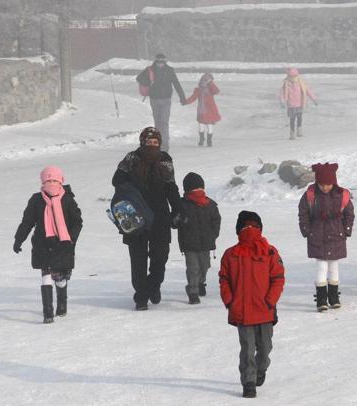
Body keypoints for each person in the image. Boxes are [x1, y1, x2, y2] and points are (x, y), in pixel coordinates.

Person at [112, 127, 184, 310]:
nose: (152, 145)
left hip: (160, 216)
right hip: (136, 216)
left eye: (155, 142)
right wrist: (131, 189)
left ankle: (153, 285)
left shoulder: (165, 160)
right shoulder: (131, 158)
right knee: (138, 260)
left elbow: (171, 187)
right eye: (148, 142)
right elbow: (117, 180)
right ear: (142, 142)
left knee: (160, 257)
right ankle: (141, 297)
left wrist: (178, 209)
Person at [219, 211, 285, 399]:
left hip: (264, 310)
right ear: (239, 230)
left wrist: (270, 301)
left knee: (265, 348)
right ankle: (249, 382)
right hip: (243, 311)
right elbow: (224, 279)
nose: (250, 230)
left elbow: (278, 278)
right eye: (246, 226)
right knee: (247, 348)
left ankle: (260, 369)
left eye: (253, 226)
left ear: (260, 229)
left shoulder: (269, 251)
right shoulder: (231, 254)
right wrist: (230, 300)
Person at [13, 166, 83, 323]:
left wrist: (71, 238)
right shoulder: (36, 199)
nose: (51, 183)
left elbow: (77, 221)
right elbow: (27, 222)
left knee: (59, 278)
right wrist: (19, 239)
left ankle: (62, 301)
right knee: (46, 276)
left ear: (60, 181)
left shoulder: (67, 199)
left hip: (63, 244)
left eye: (54, 180)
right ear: (42, 182)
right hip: (42, 244)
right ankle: (48, 313)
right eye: (47, 180)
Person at [298, 163, 354, 312]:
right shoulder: (310, 195)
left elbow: (349, 213)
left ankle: (334, 297)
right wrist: (307, 230)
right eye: (322, 184)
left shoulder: (341, 195)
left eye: (328, 184)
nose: (325, 188)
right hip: (317, 236)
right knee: (322, 266)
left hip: (336, 235)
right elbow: (303, 213)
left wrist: (346, 229)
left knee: (334, 266)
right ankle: (321, 299)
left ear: (333, 182)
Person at [177, 172, 221, 304]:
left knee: (204, 266)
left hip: (206, 242)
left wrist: (213, 234)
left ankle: (201, 283)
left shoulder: (210, 204)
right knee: (193, 268)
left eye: (200, 189)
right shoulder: (182, 204)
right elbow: (173, 222)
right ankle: (193, 292)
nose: (198, 191)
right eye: (194, 189)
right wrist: (178, 220)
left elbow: (216, 220)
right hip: (189, 243)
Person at [136, 53, 186, 151]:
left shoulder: (170, 70)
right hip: (154, 99)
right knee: (158, 122)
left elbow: (176, 84)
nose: (160, 64)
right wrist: (148, 82)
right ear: (156, 61)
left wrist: (182, 97)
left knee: (164, 122)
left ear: (165, 61)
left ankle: (164, 145)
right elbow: (139, 78)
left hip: (166, 100)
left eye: (162, 61)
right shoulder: (150, 69)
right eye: (158, 61)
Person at [183, 73, 221, 147]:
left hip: (210, 109)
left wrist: (210, 83)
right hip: (201, 110)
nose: (207, 81)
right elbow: (193, 97)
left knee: (209, 125)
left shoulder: (211, 89)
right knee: (201, 125)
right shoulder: (198, 90)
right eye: (205, 80)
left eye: (209, 80)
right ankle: (201, 138)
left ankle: (209, 140)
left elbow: (216, 91)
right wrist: (186, 101)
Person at [279, 67, 317, 140]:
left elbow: (308, 91)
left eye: (294, 76)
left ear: (297, 76)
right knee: (292, 119)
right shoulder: (286, 84)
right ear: (288, 76)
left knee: (299, 118)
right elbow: (282, 93)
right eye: (291, 76)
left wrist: (314, 99)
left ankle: (299, 130)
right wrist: (282, 101)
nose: (293, 78)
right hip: (291, 105)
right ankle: (292, 133)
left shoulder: (301, 83)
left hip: (300, 104)